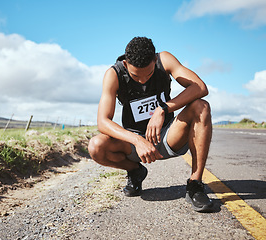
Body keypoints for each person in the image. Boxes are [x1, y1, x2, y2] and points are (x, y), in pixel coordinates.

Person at [88, 37, 213, 212]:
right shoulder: (113, 74)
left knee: (201, 106)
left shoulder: (164, 60)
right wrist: (138, 141)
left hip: (168, 135)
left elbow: (200, 87)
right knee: (96, 146)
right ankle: (135, 171)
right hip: (134, 144)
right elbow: (102, 121)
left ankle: (195, 184)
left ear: (155, 60)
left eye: (148, 74)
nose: (142, 81)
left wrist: (163, 109)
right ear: (125, 65)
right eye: (136, 76)